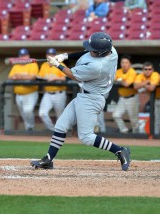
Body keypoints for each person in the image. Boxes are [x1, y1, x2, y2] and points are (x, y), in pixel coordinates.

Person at [30, 32, 131, 171]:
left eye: (93, 49)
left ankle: (120, 150)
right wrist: (64, 56)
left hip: (92, 99)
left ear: (101, 53)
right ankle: (48, 159)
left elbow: (73, 75)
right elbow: (85, 52)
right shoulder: (112, 51)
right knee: (60, 126)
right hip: (84, 96)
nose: (90, 50)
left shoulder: (97, 67)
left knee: (86, 137)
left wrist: (57, 65)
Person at [8, 48, 39, 131]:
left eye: (25, 56)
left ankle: (31, 126)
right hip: (18, 94)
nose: (23, 58)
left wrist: (19, 76)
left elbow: (32, 77)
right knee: (23, 114)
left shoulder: (33, 64)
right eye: (21, 56)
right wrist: (23, 77)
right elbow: (10, 76)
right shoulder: (16, 65)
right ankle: (28, 130)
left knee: (28, 111)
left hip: (30, 93)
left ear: (28, 56)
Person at [133, 61, 160, 134]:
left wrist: (143, 84)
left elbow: (152, 88)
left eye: (149, 69)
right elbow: (135, 86)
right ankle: (156, 135)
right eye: (145, 69)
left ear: (152, 70)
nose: (147, 71)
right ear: (143, 70)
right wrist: (146, 82)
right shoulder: (140, 76)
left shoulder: (155, 74)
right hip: (154, 99)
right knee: (156, 119)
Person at [38, 48, 67, 131]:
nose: (50, 56)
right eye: (48, 54)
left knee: (60, 116)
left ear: (55, 56)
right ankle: (52, 130)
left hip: (59, 93)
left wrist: (55, 78)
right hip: (47, 93)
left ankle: (60, 132)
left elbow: (67, 78)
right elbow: (40, 77)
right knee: (42, 113)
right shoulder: (44, 65)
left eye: (52, 55)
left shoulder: (61, 64)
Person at [112, 55, 139, 133]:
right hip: (122, 98)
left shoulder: (132, 72)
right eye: (122, 62)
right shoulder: (118, 71)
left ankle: (137, 136)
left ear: (130, 63)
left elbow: (126, 84)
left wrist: (119, 80)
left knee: (134, 120)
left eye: (126, 62)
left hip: (132, 98)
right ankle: (124, 131)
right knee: (116, 115)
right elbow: (111, 79)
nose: (124, 64)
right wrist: (120, 80)